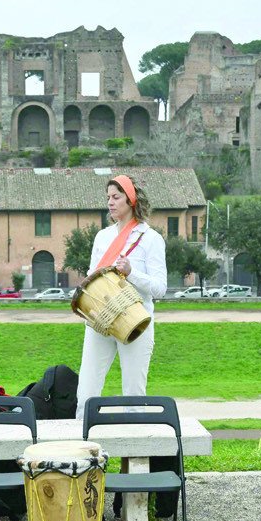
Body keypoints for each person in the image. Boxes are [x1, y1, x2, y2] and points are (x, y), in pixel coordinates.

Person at [76, 174, 167, 412]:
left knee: (134, 396)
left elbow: (160, 288)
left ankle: (135, 449)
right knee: (85, 392)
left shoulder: (150, 239)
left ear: (131, 200)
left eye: (116, 197)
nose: (110, 202)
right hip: (101, 319)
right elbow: (93, 275)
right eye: (108, 197)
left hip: (136, 322)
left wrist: (132, 271)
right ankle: (83, 446)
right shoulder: (102, 237)